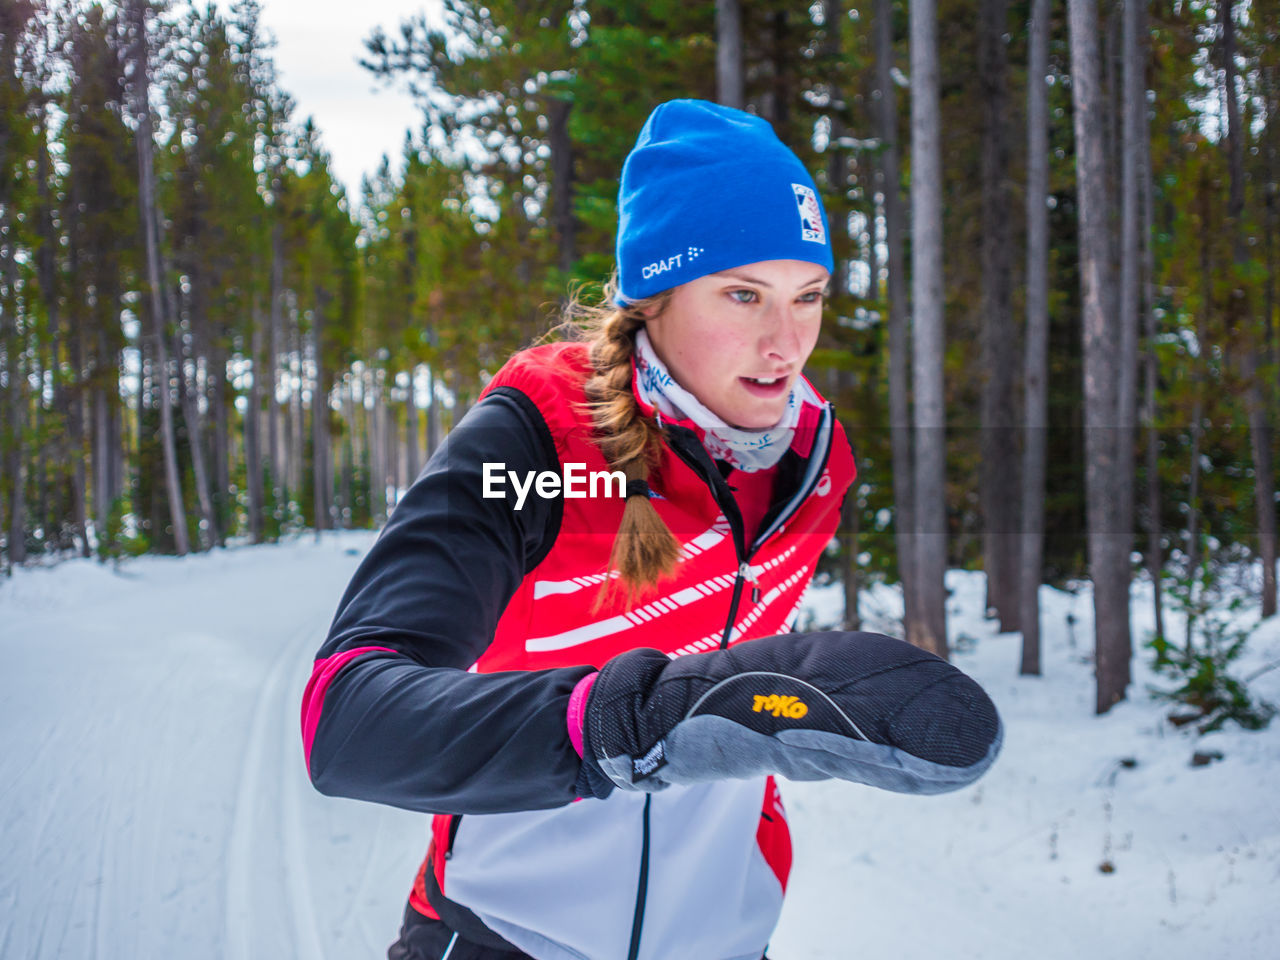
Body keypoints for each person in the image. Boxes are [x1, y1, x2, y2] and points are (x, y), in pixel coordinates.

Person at [301, 99, 1002, 960]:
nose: (786, 343)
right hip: (506, 931)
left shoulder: (814, 461)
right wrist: (631, 724)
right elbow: (344, 721)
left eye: (808, 296)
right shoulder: (534, 438)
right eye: (743, 294)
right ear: (654, 297)